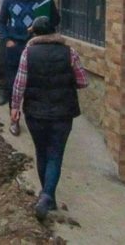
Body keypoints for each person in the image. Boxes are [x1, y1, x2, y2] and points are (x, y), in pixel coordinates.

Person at [10, 16, 89, 220]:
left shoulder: (28, 52)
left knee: (42, 152)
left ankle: (47, 196)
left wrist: (15, 108)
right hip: (63, 113)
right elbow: (82, 81)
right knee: (55, 154)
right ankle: (47, 196)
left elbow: (20, 83)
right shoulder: (69, 52)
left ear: (35, 33)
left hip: (35, 113)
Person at [0, 0, 60, 135]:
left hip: (37, 47)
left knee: (36, 83)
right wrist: (7, 40)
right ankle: (14, 119)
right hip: (15, 47)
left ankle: (38, 120)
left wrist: (41, 24)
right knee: (14, 84)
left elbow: (55, 19)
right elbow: (1, 22)